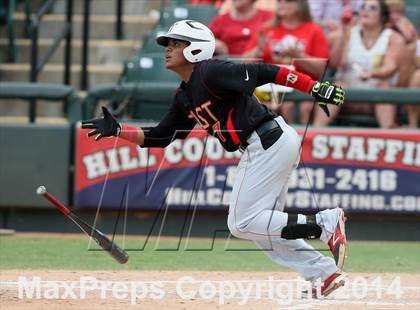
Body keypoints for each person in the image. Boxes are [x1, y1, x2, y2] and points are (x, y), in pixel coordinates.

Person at [81, 20, 347, 296]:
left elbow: (266, 71)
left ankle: (325, 223)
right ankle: (323, 273)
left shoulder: (210, 70)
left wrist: (316, 88)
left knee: (242, 223)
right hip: (267, 143)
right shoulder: (184, 94)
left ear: (195, 49)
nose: (168, 49)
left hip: (267, 140)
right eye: (168, 44)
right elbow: (161, 135)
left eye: (176, 43)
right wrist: (119, 130)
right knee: (264, 228)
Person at [242, 0, 330, 125]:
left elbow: (322, 69)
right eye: (279, 1)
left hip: (302, 86)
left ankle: (301, 142)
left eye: (287, 1)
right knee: (257, 103)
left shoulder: (313, 30)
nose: (282, 4)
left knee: (298, 106)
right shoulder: (266, 29)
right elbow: (243, 64)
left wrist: (298, 55)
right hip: (269, 86)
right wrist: (259, 50)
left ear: (301, 5)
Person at [328, 0, 404, 128]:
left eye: (372, 8)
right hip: (347, 93)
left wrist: (371, 74)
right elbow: (336, 63)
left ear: (383, 15)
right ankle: (315, 132)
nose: (365, 11)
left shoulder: (393, 37)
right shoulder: (348, 33)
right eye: (363, 7)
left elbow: (390, 66)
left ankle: (388, 135)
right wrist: (343, 32)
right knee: (336, 87)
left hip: (375, 94)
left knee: (384, 88)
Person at [208, 0, 273, 56]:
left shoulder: (268, 17)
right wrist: (215, 43)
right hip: (229, 65)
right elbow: (205, 39)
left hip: (260, 63)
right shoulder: (221, 19)